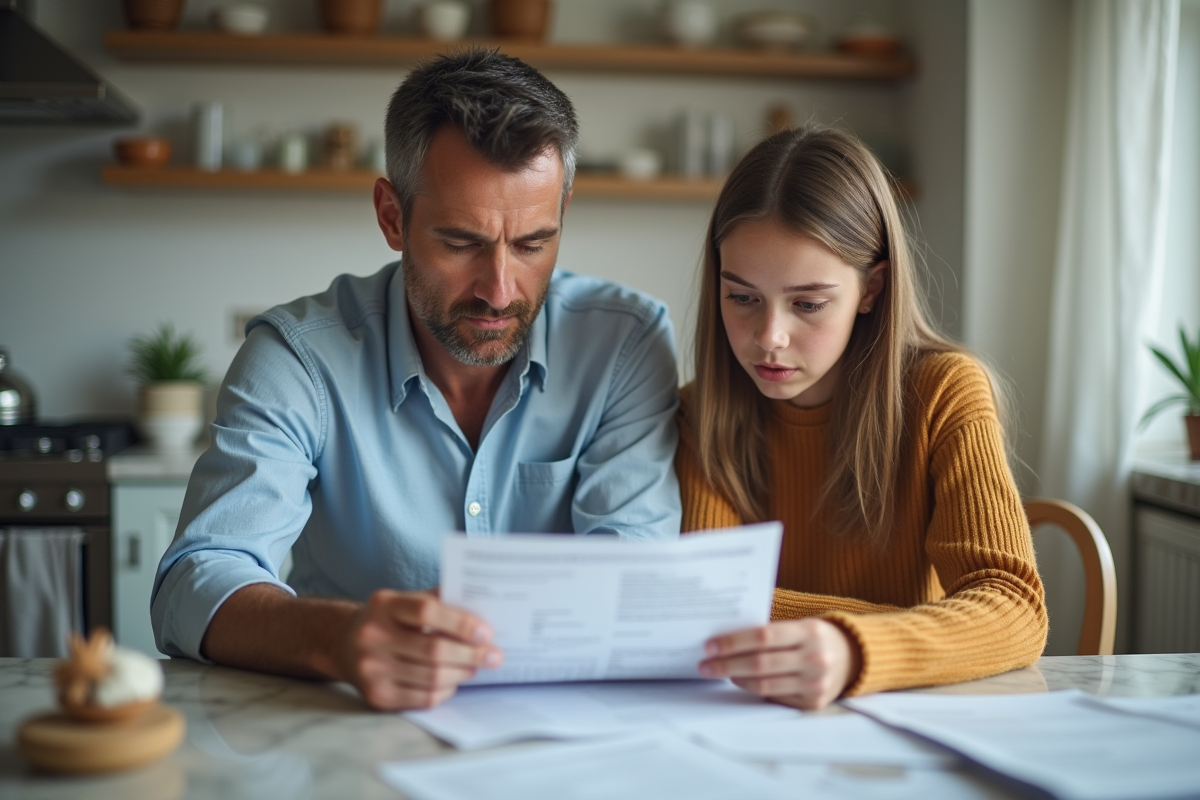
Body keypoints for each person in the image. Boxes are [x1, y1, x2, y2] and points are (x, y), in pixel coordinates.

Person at [151, 49, 681, 711]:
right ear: (391, 216)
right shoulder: (297, 358)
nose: (499, 290)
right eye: (460, 242)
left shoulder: (623, 344)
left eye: (533, 243)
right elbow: (193, 582)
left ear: (564, 210)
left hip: (561, 733)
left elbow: (632, 572)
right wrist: (339, 638)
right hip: (347, 730)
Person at [678, 124, 1047, 710]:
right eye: (742, 297)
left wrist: (852, 648)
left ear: (871, 289)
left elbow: (1013, 607)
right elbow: (702, 605)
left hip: (909, 715)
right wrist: (917, 623)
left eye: (808, 304)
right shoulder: (702, 411)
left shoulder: (945, 392)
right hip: (748, 720)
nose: (768, 338)